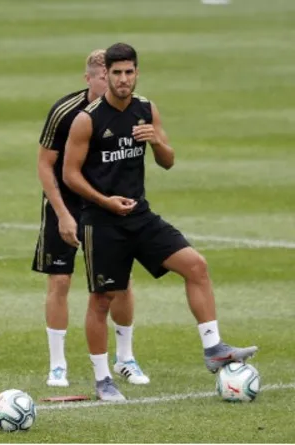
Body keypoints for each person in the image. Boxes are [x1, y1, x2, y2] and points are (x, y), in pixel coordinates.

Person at [62, 42, 257, 401]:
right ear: (106, 75)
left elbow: (168, 161)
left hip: (140, 217)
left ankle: (213, 348)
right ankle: (104, 379)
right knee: (102, 299)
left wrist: (156, 142)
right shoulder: (88, 119)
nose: (123, 79)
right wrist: (106, 201)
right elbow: (70, 174)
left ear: (137, 73)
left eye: (129, 72)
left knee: (195, 265)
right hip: (101, 222)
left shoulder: (146, 110)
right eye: (116, 73)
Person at [33, 49, 148, 388]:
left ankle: (125, 357)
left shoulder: (131, 110)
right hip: (66, 202)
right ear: (89, 79)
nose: (111, 82)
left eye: (113, 75)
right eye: (102, 77)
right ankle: (58, 364)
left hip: (106, 208)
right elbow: (44, 164)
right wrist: (63, 215)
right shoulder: (66, 112)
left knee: (121, 282)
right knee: (60, 280)